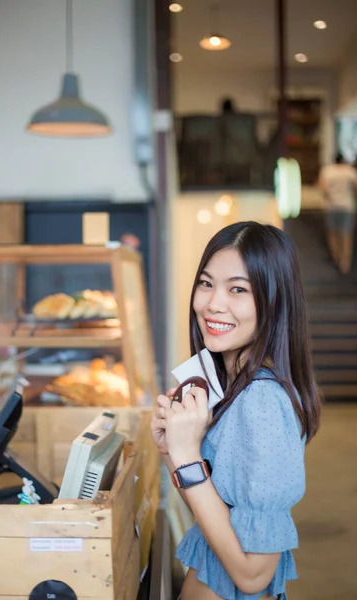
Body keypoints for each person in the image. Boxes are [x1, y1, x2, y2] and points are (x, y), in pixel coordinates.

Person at [151, 221, 321, 600]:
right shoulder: (234, 388)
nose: (213, 303)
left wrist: (186, 455)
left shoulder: (261, 402)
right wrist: (172, 451)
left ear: (274, 300)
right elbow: (214, 518)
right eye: (206, 283)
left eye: (238, 289)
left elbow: (253, 574)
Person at [319, 153, 357, 274]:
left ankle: (336, 257)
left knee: (332, 234)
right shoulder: (350, 171)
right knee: (346, 235)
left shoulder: (327, 171)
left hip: (332, 206)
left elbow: (322, 188)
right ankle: (345, 263)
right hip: (347, 206)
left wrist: (329, 198)